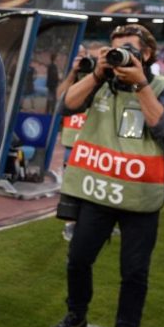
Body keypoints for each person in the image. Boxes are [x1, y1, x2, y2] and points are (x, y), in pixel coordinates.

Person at [45, 24, 164, 327]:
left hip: (141, 197)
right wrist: (97, 73)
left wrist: (140, 84)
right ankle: (76, 316)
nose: (121, 56)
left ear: (147, 54)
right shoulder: (101, 83)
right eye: (115, 50)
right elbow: (65, 106)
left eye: (129, 50)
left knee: (134, 272)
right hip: (98, 192)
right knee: (78, 259)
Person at [57, 43, 95, 242]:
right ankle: (70, 224)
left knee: (92, 184)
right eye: (77, 55)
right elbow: (60, 98)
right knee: (72, 184)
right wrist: (73, 73)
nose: (81, 59)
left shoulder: (99, 76)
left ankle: (93, 223)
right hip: (72, 140)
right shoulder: (71, 76)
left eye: (83, 55)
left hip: (93, 141)